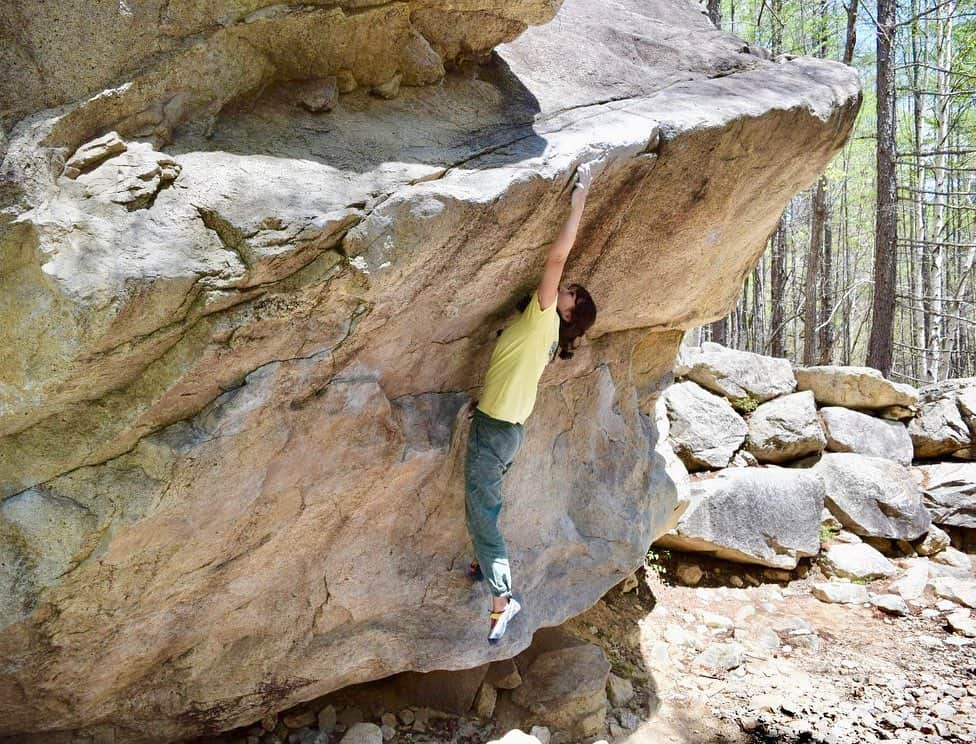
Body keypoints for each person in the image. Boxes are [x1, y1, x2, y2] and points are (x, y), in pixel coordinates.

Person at [464, 160, 600, 644]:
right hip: (507, 429)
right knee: (486, 506)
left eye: (571, 293)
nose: (566, 286)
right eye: (569, 287)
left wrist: (580, 197)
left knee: (482, 511)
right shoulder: (541, 328)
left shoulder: (544, 317)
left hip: (496, 427)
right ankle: (485, 561)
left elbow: (555, 259)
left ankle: (503, 598)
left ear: (566, 310)